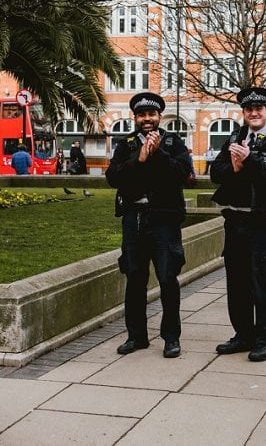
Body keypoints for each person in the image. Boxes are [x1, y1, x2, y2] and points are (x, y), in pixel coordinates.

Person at [106, 92, 194, 359]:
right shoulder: (127, 144)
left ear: (159, 117)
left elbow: (181, 175)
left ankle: (171, 338)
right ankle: (136, 336)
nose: (147, 119)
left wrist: (157, 155)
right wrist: (140, 159)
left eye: (151, 115)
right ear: (136, 118)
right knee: (134, 278)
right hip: (134, 219)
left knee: (168, 278)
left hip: (164, 220)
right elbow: (114, 177)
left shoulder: (173, 142)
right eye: (142, 115)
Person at [211, 86, 266, 363]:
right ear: (243, 113)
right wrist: (236, 168)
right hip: (236, 219)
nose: (254, 113)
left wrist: (248, 161)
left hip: (263, 220)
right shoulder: (235, 135)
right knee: (237, 281)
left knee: (262, 281)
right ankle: (243, 334)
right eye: (249, 109)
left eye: (259, 109)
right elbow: (216, 173)